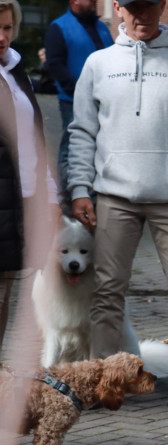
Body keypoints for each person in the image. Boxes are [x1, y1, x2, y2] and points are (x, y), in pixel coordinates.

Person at [68, 0, 168, 408]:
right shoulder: (98, 64)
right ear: (117, 8)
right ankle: (104, 380)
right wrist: (79, 189)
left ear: (164, 6)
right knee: (106, 292)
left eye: (150, 6)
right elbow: (82, 131)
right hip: (113, 196)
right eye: (133, 7)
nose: (142, 16)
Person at [0, 0, 57, 355]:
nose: (2, 36)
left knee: (5, 293)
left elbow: (34, 137)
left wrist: (49, 195)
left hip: (19, 200)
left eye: (7, 28)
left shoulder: (15, 70)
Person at [43, 0, 112, 196]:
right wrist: (78, 91)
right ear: (74, 1)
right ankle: (66, 195)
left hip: (104, 101)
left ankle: (94, 192)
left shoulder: (102, 27)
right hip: (72, 101)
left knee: (99, 146)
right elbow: (55, 64)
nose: (94, 1)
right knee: (71, 148)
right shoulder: (59, 27)